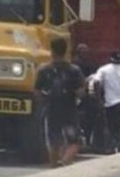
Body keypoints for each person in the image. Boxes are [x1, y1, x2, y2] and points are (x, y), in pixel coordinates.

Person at [34, 37, 85, 167]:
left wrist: (45, 100)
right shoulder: (74, 70)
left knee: (53, 140)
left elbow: (37, 92)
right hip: (69, 109)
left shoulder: (43, 70)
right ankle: (65, 162)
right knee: (75, 141)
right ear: (66, 50)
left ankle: (53, 166)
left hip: (51, 109)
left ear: (51, 50)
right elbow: (80, 92)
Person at [94, 52, 120, 153]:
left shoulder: (103, 69)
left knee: (112, 127)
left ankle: (116, 146)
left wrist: (98, 98)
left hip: (111, 104)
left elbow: (96, 82)